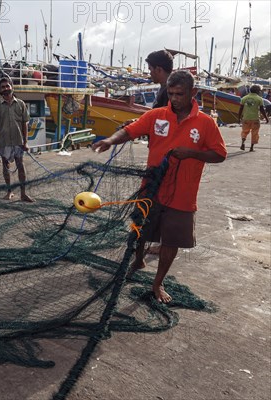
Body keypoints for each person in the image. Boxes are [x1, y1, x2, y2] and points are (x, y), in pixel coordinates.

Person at [92, 70, 227, 303]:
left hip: (183, 195)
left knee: (171, 241)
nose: (174, 99)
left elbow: (220, 154)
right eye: (171, 94)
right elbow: (130, 130)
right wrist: (110, 140)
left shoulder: (205, 123)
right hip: (152, 188)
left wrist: (192, 154)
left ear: (192, 93)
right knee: (140, 228)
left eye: (180, 94)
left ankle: (157, 283)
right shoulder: (156, 116)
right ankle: (138, 259)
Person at [0, 76, 34, 202]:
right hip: (3, 141)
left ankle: (23, 193)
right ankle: (9, 192)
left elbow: (25, 124)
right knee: (5, 166)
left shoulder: (21, 104)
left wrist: (26, 142)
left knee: (21, 166)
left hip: (18, 141)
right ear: (0, 90)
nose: (5, 88)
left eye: (7, 86)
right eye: (2, 87)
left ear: (12, 87)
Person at [238, 85, 269, 152]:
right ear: (258, 91)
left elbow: (240, 109)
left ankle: (243, 142)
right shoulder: (259, 99)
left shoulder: (244, 98)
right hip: (255, 119)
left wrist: (239, 118)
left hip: (245, 118)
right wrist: (266, 118)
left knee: (245, 131)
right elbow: (262, 109)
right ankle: (251, 148)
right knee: (254, 133)